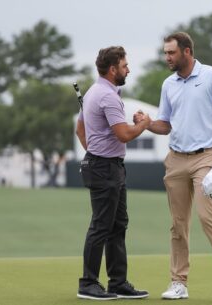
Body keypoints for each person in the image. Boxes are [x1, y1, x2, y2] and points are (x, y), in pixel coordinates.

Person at [135, 32, 212, 299]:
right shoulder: (168, 84)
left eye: (171, 53)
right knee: (178, 224)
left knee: (208, 216)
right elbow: (166, 124)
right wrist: (148, 123)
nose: (166, 57)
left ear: (186, 52)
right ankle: (178, 283)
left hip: (207, 158)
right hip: (176, 160)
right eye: (165, 53)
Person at [75, 46, 150, 300]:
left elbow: (80, 130)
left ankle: (117, 282)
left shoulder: (95, 92)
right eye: (125, 65)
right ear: (112, 69)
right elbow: (124, 134)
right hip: (105, 167)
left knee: (117, 225)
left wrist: (94, 151)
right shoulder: (106, 96)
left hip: (108, 166)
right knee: (101, 226)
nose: (128, 68)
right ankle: (88, 283)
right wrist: (144, 125)